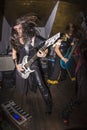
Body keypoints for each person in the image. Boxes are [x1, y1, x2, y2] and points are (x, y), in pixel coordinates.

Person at [10, 15, 52, 114]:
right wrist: (16, 65)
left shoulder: (31, 36)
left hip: (33, 61)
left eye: (20, 27)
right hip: (22, 62)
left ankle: (49, 105)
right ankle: (32, 88)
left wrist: (45, 52)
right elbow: (14, 54)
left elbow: (44, 45)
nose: (18, 30)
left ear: (23, 26)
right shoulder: (14, 39)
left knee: (41, 84)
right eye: (16, 28)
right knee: (20, 81)